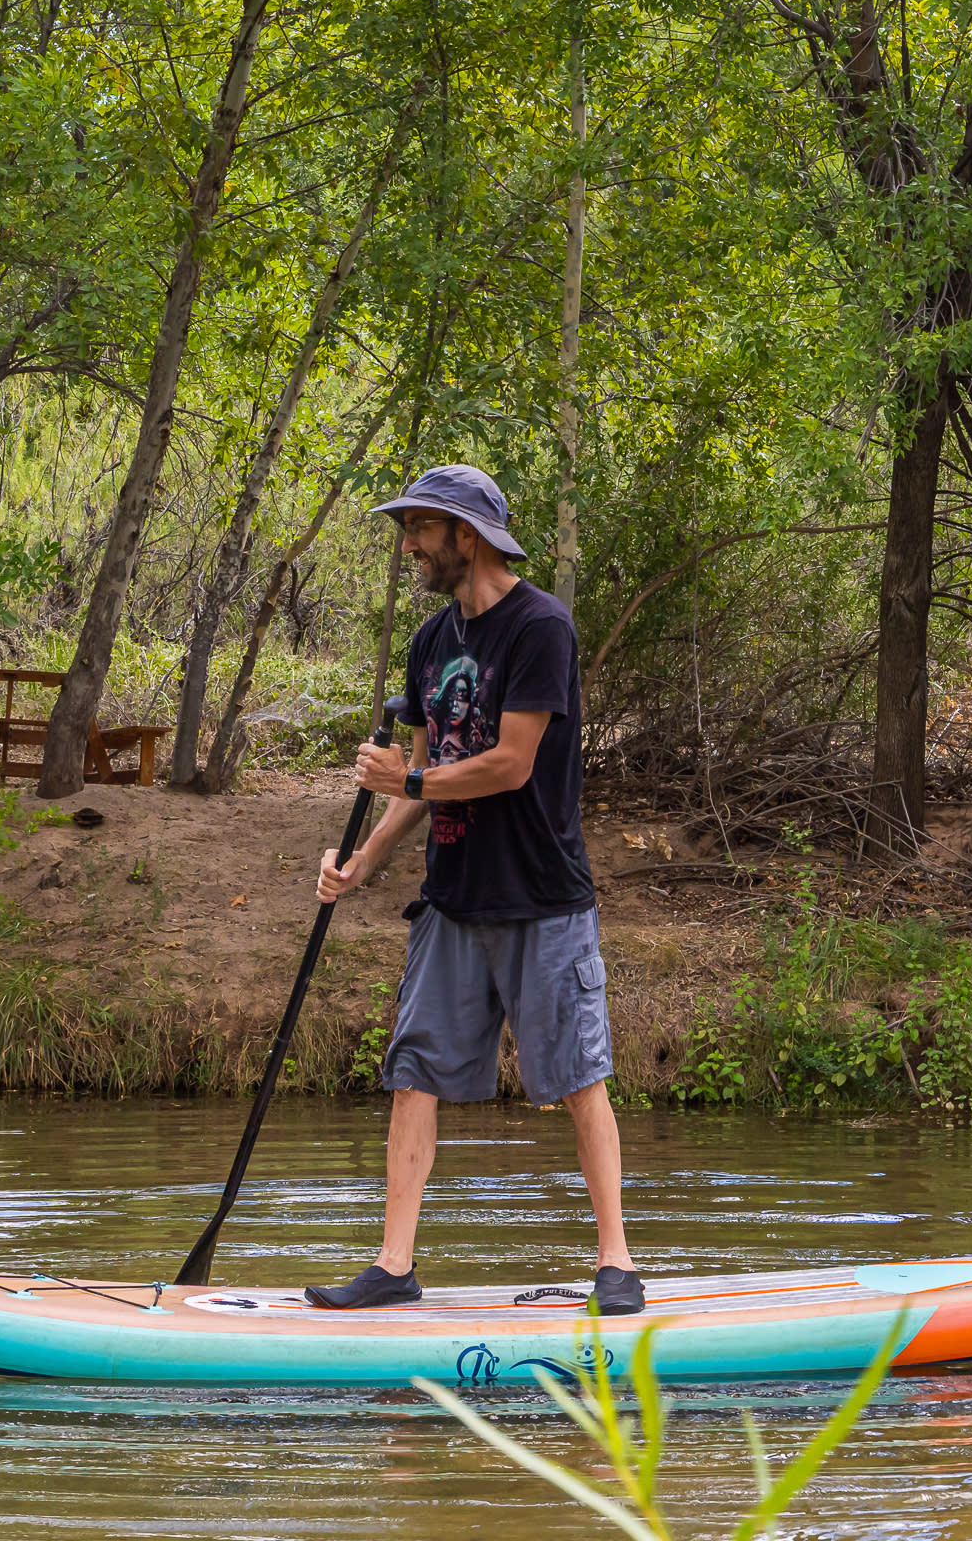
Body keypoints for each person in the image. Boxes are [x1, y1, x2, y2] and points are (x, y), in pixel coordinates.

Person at [304, 463, 641, 1314]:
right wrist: (363, 862)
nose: (408, 546)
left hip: (542, 898)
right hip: (451, 901)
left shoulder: (541, 628)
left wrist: (408, 781)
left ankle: (617, 1263)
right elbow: (422, 778)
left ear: (468, 534)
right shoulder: (430, 643)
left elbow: (509, 764)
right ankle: (393, 1267)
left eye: (418, 528)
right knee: (413, 1073)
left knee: (579, 1075)